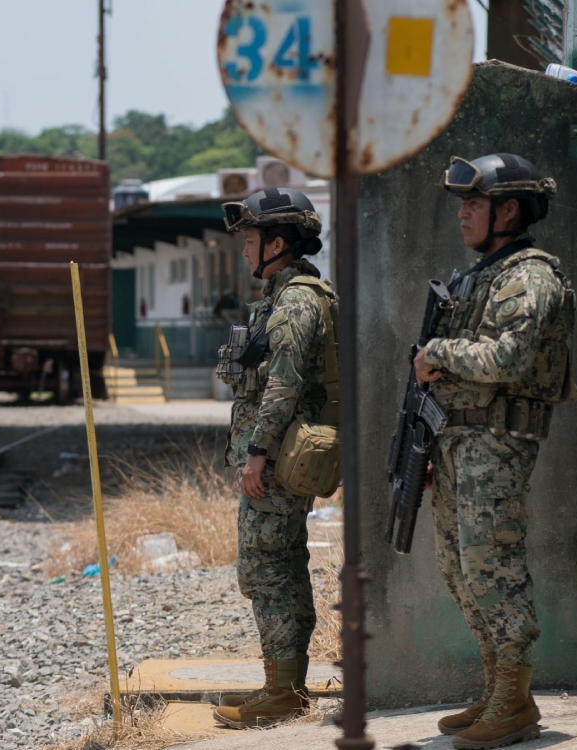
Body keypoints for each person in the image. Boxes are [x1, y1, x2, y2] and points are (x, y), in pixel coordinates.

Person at [413, 154, 577, 749]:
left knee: (493, 569)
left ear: (509, 210)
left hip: (498, 441)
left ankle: (513, 698)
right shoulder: (482, 272)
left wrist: (437, 352)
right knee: (461, 570)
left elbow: (505, 358)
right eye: (463, 204)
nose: (462, 215)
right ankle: (498, 688)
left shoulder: (528, 276)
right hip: (462, 440)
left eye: (474, 204)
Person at [211, 188, 339, 729]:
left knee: (266, 569)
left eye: (251, 240)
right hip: (286, 454)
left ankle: (281, 691)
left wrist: (256, 455)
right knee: (282, 566)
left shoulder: (295, 302)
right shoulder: (289, 295)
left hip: (280, 457)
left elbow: (282, 388)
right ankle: (284, 684)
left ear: (278, 243)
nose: (243, 250)